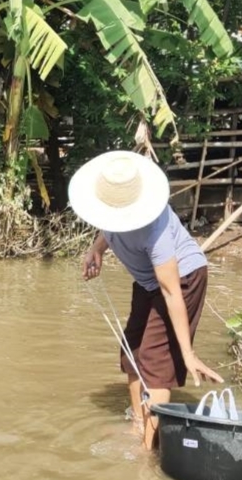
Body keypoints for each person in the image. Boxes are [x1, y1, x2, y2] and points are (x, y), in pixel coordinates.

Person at [71, 150, 223, 450]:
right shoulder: (113, 211)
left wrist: (188, 352)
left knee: (156, 359)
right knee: (132, 349)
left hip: (183, 278)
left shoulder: (154, 231)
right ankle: (138, 423)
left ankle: (148, 449)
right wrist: (97, 250)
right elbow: (108, 227)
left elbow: (171, 292)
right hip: (147, 281)